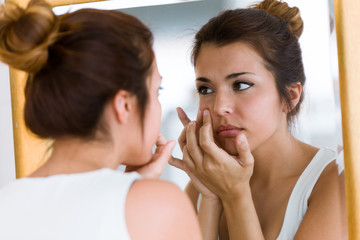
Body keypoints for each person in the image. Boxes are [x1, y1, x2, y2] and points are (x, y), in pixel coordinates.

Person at [0, 0, 201, 239]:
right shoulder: (159, 205)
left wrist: (131, 187)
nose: (157, 105)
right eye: (157, 90)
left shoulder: (7, 204)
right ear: (124, 105)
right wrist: (135, 191)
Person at [170, 0, 348, 239]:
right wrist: (211, 198)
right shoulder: (204, 184)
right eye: (206, 89)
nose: (220, 107)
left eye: (241, 85)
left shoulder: (337, 181)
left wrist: (236, 197)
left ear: (291, 96)